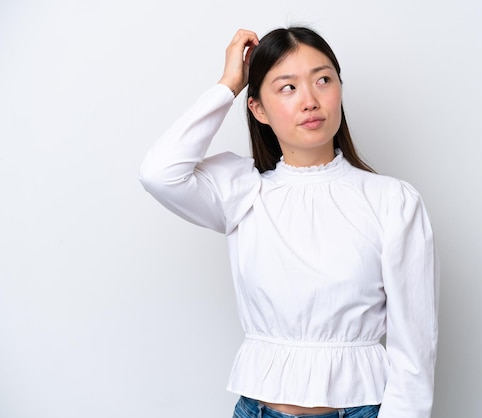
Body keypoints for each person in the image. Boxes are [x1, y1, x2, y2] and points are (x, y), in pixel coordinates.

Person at [139, 27, 439, 418]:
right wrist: (229, 84)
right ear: (258, 109)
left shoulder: (392, 201)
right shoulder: (243, 191)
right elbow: (158, 173)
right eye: (287, 87)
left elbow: (415, 348)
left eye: (323, 80)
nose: (311, 101)